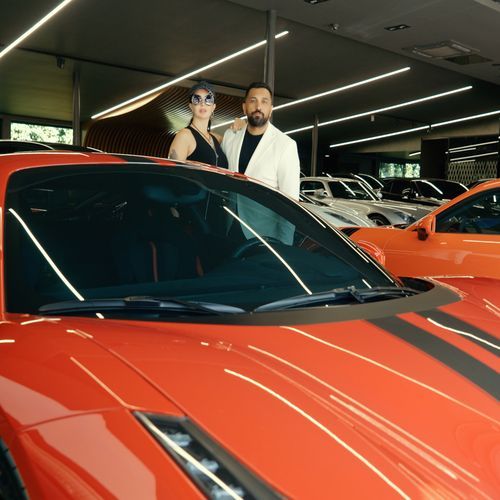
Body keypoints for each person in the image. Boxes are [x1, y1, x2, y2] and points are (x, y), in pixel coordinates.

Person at [222, 82, 300, 200]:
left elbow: (291, 200)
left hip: (263, 212)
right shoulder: (230, 136)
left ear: (271, 109)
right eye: (253, 101)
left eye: (264, 102)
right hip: (229, 210)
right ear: (244, 107)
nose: (258, 107)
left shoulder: (286, 145)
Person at [168, 81, 228, 168]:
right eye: (197, 99)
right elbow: (171, 171)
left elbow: (236, 140)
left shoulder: (216, 138)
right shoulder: (184, 136)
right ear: (191, 106)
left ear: (213, 107)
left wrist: (241, 125)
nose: (202, 104)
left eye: (208, 99)